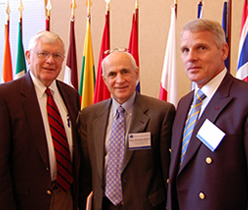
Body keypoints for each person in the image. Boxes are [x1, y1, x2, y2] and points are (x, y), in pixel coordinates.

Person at [167, 18, 248, 210]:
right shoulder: (185, 103)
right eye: (185, 50)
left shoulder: (243, 98)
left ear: (223, 51)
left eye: (201, 48)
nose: (191, 57)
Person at [79, 49, 175, 210]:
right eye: (112, 74)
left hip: (146, 206)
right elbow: (86, 170)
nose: (120, 80)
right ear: (104, 79)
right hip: (104, 205)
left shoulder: (161, 112)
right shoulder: (89, 116)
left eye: (125, 72)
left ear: (136, 74)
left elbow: (167, 169)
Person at [0, 31, 82, 210]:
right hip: (27, 201)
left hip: (66, 195)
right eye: (43, 53)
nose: (50, 61)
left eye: (57, 55)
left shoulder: (71, 95)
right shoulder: (6, 96)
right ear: (29, 57)